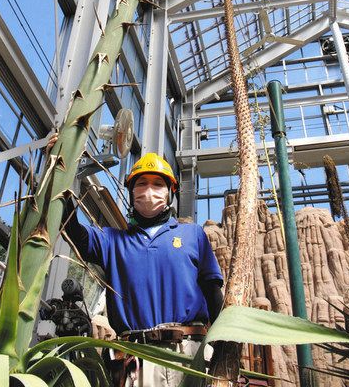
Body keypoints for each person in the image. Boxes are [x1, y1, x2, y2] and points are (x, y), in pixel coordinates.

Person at [55, 147, 224, 386]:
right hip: (137, 359)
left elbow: (212, 292)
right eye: (141, 183)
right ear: (132, 191)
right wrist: (59, 167)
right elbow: (75, 234)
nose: (149, 191)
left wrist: (224, 347)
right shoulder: (112, 240)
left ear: (170, 192)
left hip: (190, 354)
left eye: (158, 184)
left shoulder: (193, 234)